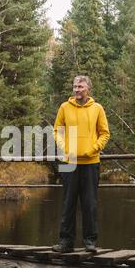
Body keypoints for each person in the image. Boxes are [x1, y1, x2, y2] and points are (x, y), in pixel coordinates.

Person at [52, 76, 110, 253]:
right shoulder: (64, 107)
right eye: (75, 86)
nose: (77, 89)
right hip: (68, 162)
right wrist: (65, 148)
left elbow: (105, 134)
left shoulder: (97, 109)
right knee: (68, 202)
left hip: (91, 162)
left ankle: (90, 242)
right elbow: (57, 131)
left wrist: (93, 149)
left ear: (88, 89)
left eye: (80, 86)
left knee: (89, 204)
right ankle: (65, 243)